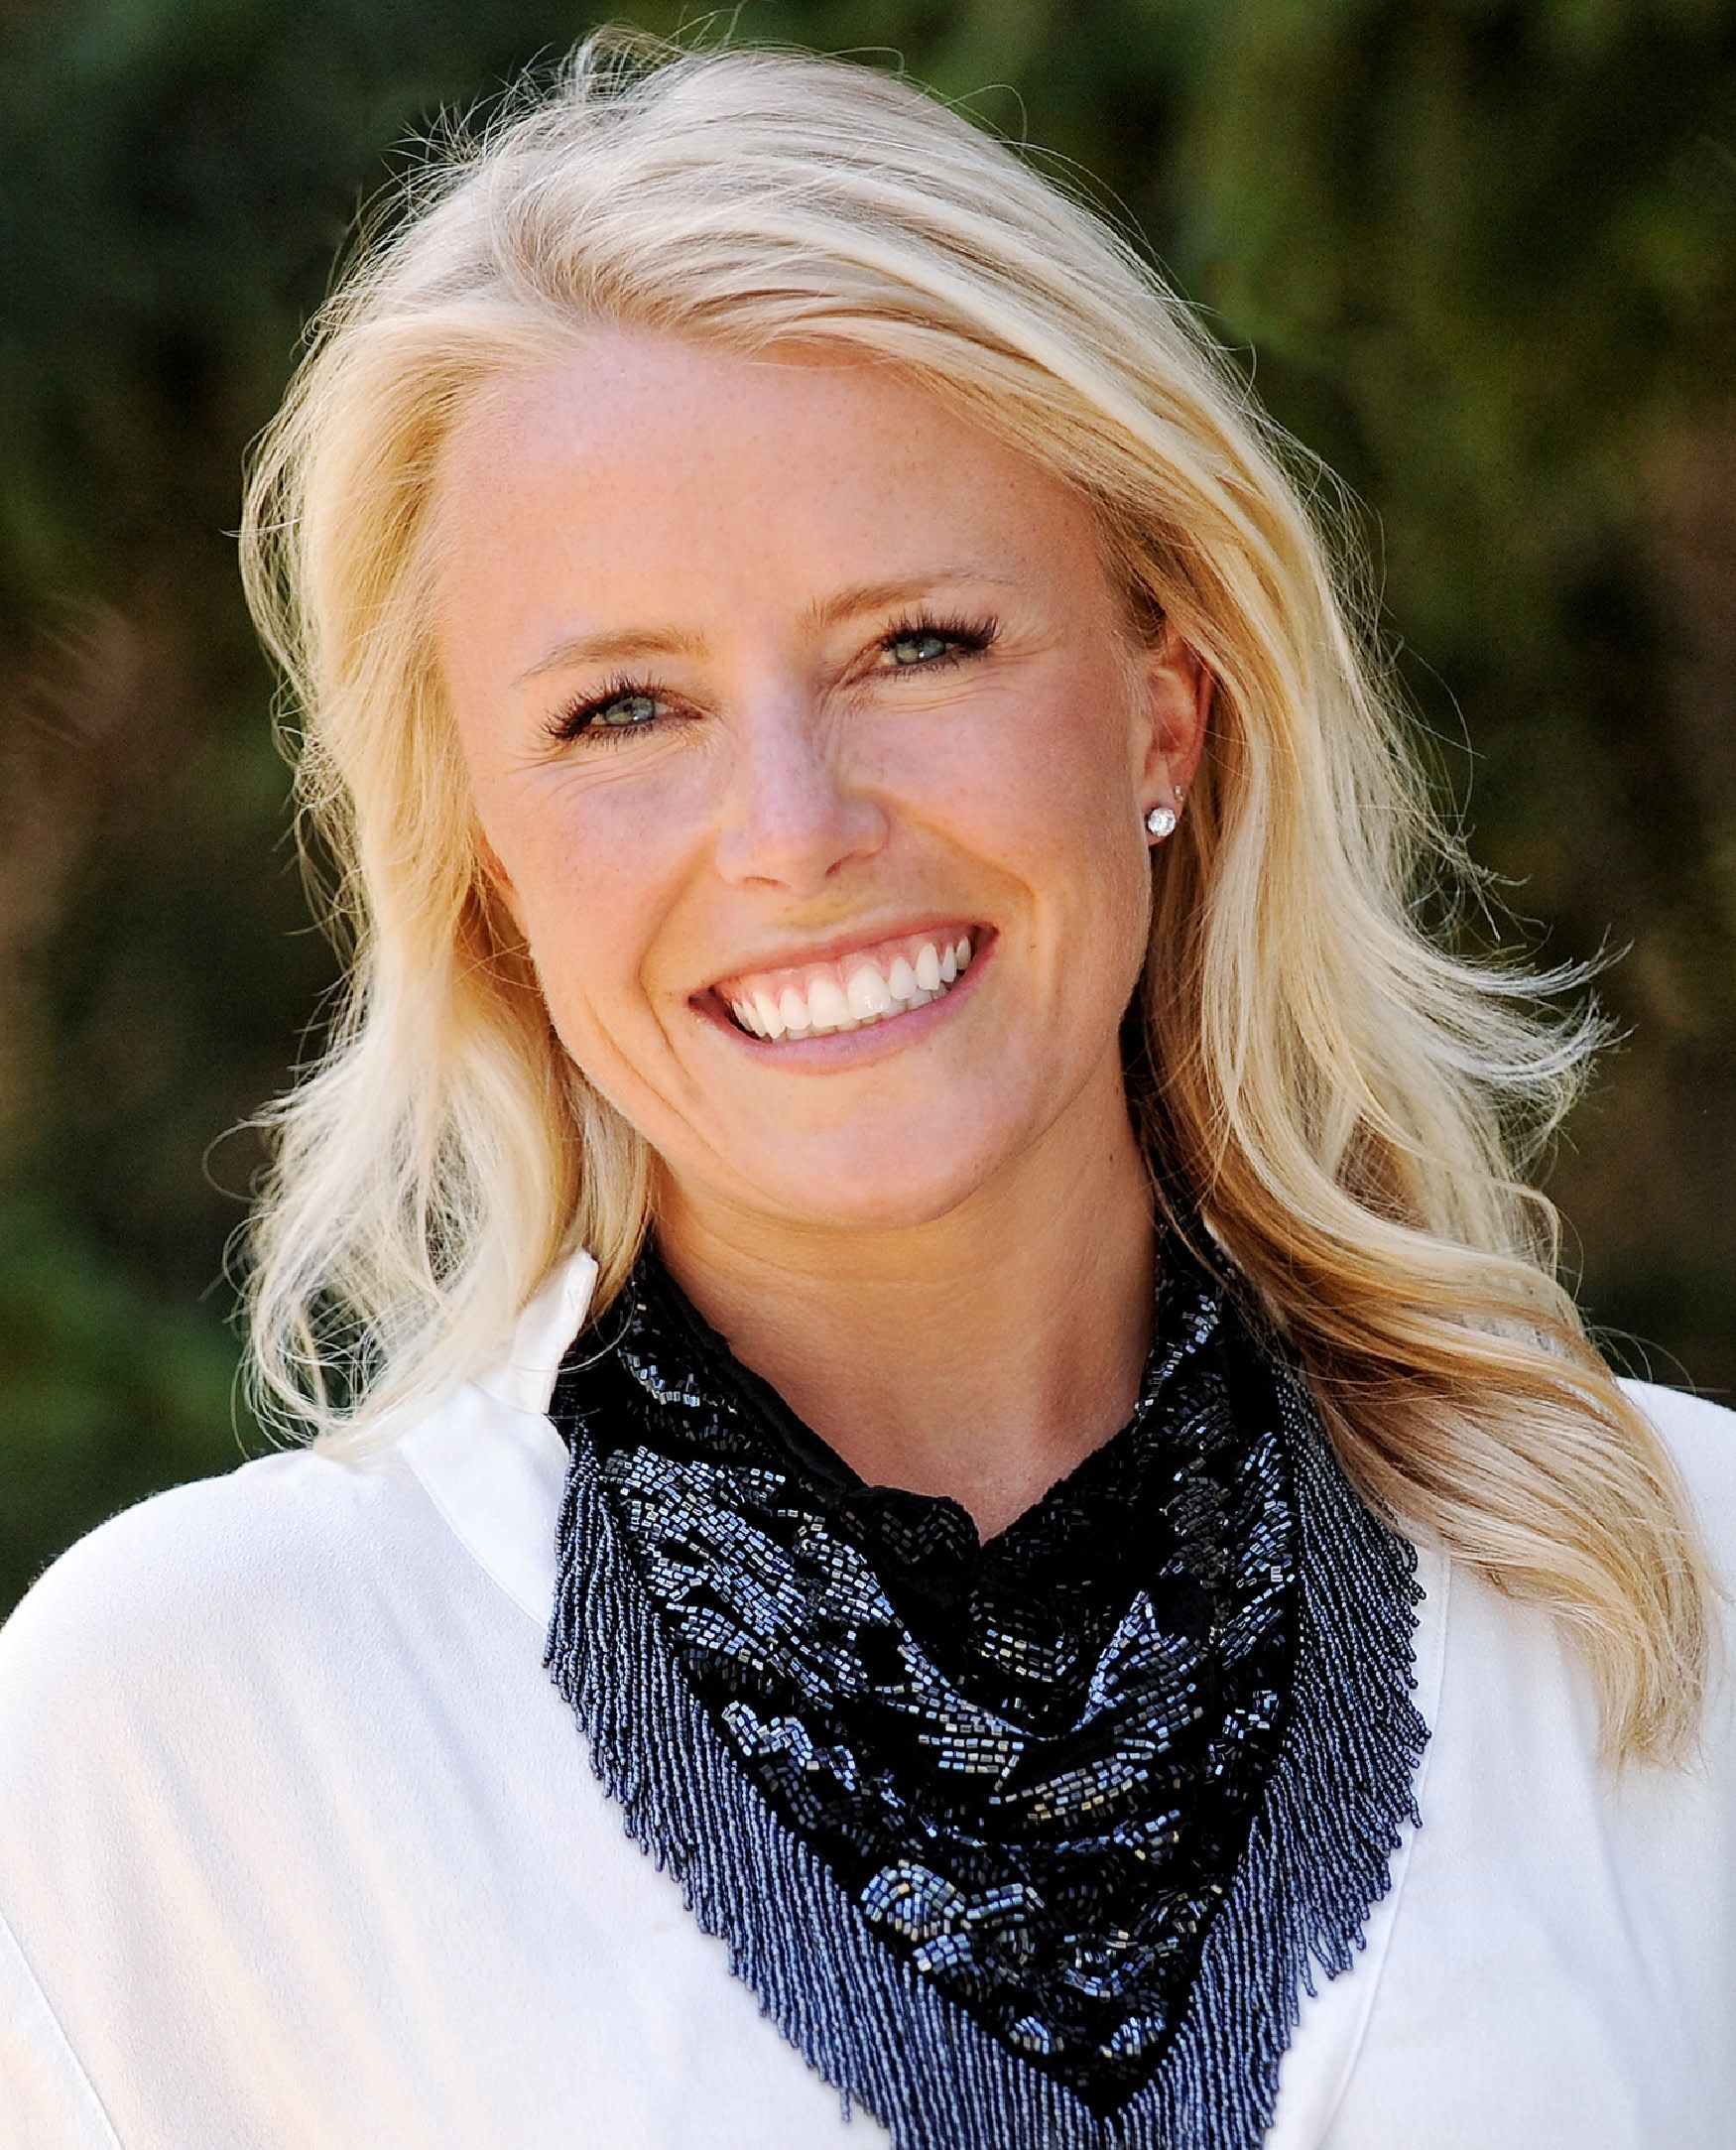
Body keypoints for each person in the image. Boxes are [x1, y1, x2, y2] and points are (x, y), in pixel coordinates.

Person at [1, 27, 1731, 2150]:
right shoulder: (188, 1730)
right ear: (486, 869)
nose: (794, 828)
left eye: (915, 643)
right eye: (622, 707)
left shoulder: (1671, 1589)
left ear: (1161, 714)